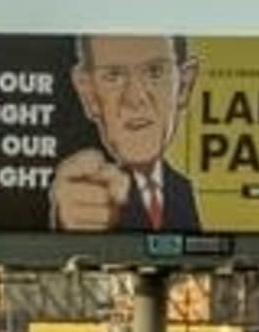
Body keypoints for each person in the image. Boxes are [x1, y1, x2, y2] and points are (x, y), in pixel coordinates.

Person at [49, 33, 205, 234]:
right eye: (113, 75)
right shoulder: (87, 190)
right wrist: (67, 231)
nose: (135, 98)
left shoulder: (182, 189)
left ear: (184, 85)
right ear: (88, 93)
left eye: (155, 72)